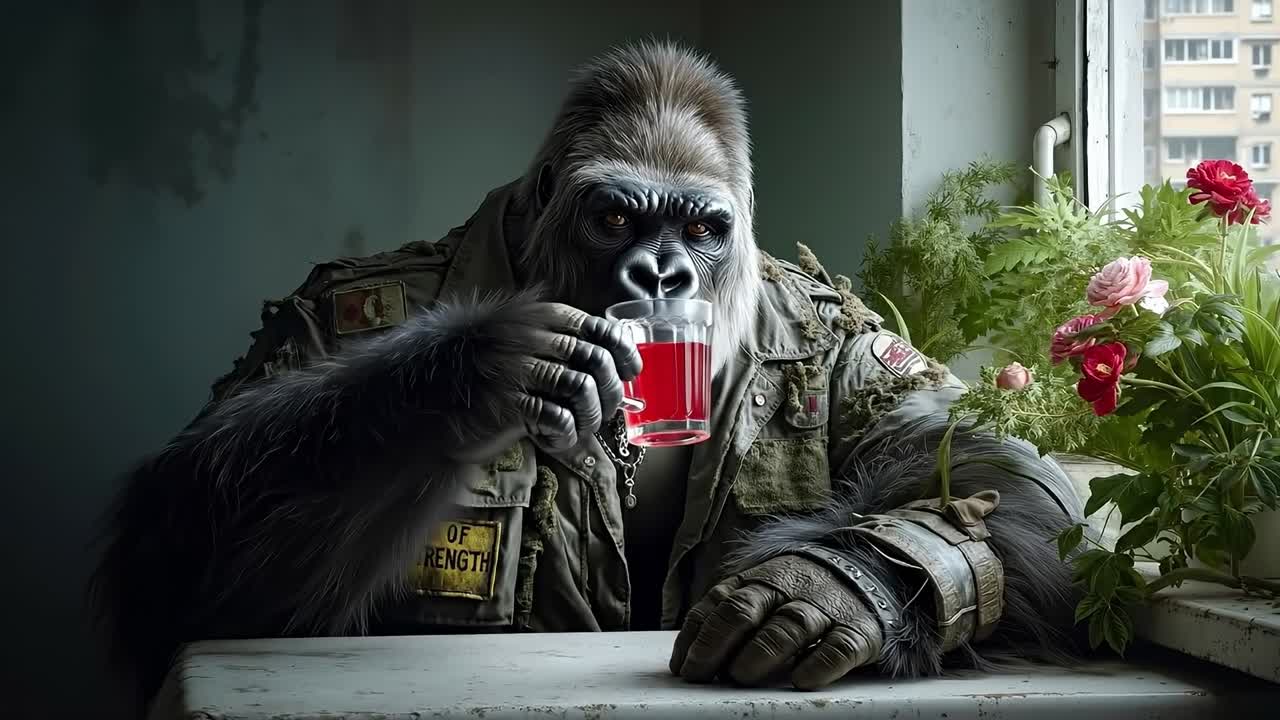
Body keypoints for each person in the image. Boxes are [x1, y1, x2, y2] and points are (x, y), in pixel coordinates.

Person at [90, 40, 1086, 705]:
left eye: (700, 231)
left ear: (743, 238)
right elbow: (162, 581)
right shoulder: (373, 320)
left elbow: (1033, 505)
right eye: (614, 218)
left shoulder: (815, 339)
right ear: (537, 210)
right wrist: (427, 390)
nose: (659, 269)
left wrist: (882, 576)